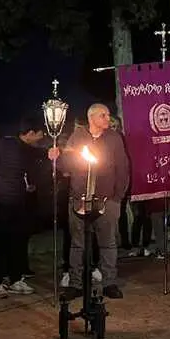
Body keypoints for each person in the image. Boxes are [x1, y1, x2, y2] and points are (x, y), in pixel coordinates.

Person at [49, 103, 129, 300]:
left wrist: (117, 196)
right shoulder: (78, 137)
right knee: (78, 244)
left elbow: (123, 167)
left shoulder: (114, 138)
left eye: (108, 115)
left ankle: (109, 282)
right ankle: (76, 283)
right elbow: (67, 165)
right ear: (91, 117)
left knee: (108, 243)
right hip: (80, 198)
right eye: (103, 115)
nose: (108, 118)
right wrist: (56, 159)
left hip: (107, 199)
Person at [0, 120, 45, 296]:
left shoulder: (26, 149)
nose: (40, 138)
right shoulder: (5, 145)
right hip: (0, 201)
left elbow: (38, 154)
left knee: (18, 241)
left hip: (18, 200)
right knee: (0, 242)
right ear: (30, 133)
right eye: (39, 134)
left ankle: (15, 278)